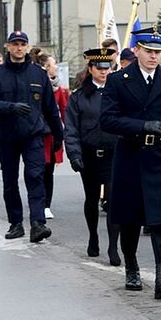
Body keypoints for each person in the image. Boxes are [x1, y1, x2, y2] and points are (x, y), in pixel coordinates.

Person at [100, 27, 161, 298]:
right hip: (130, 154)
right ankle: (132, 267)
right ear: (136, 50)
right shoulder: (118, 80)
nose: (154, 57)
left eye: (158, 52)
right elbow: (108, 120)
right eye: (149, 51)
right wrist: (142, 125)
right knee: (130, 217)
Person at [0, 31, 62, 242]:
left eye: (22, 44)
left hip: (32, 134)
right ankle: (15, 223)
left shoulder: (38, 74)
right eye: (15, 44)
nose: (19, 48)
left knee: (35, 177)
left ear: (27, 47)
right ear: (8, 46)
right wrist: (10, 107)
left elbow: (50, 108)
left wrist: (58, 136)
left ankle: (37, 223)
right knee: (10, 181)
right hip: (7, 136)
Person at [64, 48, 121, 265]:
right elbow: (71, 128)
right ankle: (93, 236)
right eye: (99, 67)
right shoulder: (79, 96)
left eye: (107, 67)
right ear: (90, 69)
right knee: (91, 198)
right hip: (89, 154)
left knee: (113, 199)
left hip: (113, 153)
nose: (104, 71)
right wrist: (74, 154)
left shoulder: (117, 93)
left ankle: (113, 246)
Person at [35, 52, 68, 219]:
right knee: (36, 171)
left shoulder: (59, 89)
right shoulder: (35, 86)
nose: (56, 67)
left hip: (52, 136)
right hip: (37, 134)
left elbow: (64, 112)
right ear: (47, 67)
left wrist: (66, 133)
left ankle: (46, 204)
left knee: (48, 171)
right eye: (54, 64)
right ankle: (37, 202)